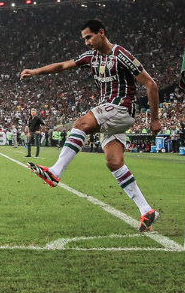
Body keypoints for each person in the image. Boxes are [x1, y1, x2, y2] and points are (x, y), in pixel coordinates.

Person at [19, 19, 161, 232]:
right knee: (114, 162)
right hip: (110, 114)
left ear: (101, 33)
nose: (86, 42)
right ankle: (146, 210)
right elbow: (62, 66)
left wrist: (154, 119)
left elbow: (151, 84)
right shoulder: (91, 57)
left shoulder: (121, 55)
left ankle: (56, 172)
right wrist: (36, 71)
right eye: (84, 38)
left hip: (121, 108)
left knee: (81, 123)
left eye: (89, 37)